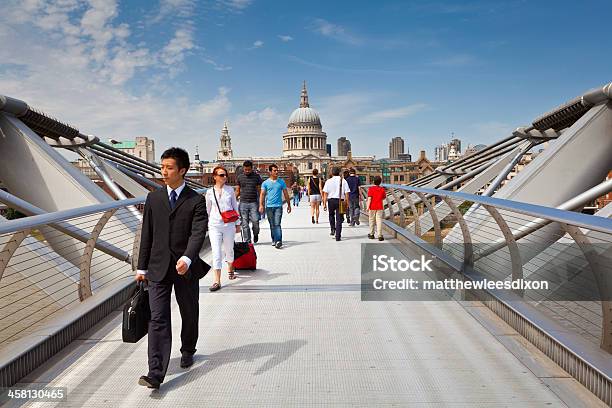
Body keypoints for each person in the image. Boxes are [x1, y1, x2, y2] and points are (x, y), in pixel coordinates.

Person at [136, 147, 210, 390]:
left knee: (189, 312)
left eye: (169, 168)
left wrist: (188, 258)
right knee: (157, 318)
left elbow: (198, 233)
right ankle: (155, 373)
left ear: (183, 170)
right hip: (157, 268)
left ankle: (188, 348)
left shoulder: (196, 200)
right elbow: (146, 234)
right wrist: (141, 267)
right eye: (162, 167)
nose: (163, 172)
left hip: (184, 268)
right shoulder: (153, 198)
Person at [206, 166, 241, 291]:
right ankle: (217, 281)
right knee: (216, 252)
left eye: (225, 175)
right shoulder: (209, 192)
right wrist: (206, 225)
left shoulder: (230, 190)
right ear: (215, 177)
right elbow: (208, 210)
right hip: (214, 225)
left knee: (229, 250)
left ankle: (230, 267)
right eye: (221, 175)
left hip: (229, 225)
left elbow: (234, 207)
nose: (224, 177)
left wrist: (238, 223)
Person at [260, 164, 291, 248]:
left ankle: (278, 241)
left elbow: (285, 193)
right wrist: (261, 205)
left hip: (278, 206)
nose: (277, 172)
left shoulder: (281, 182)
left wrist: (289, 204)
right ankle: (274, 239)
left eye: (277, 170)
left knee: (277, 224)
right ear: (270, 172)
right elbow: (262, 194)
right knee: (272, 224)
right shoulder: (265, 183)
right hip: (269, 206)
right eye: (274, 170)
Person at [236, 160, 263, 244]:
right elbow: (237, 191)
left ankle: (256, 233)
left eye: (249, 170)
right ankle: (248, 241)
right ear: (243, 168)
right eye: (245, 169)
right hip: (243, 203)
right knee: (245, 224)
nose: (247, 171)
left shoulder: (257, 177)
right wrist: (232, 200)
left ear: (252, 169)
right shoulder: (240, 177)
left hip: (254, 203)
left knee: (255, 221)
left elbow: (259, 191)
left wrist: (261, 203)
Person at [322, 167, 350, 241]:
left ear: (332, 173)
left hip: (331, 201)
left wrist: (324, 203)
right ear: (339, 173)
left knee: (331, 215)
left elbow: (325, 193)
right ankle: (338, 236)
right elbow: (347, 193)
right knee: (339, 219)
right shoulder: (343, 181)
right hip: (341, 200)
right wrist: (347, 202)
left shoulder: (328, 181)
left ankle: (332, 229)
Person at [367, 176, 386, 241]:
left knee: (371, 220)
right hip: (379, 206)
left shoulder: (371, 189)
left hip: (372, 206)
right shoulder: (382, 189)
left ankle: (371, 234)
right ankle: (380, 235)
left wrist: (367, 207)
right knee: (379, 220)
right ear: (380, 182)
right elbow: (383, 197)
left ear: (373, 182)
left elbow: (369, 198)